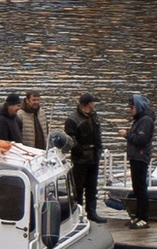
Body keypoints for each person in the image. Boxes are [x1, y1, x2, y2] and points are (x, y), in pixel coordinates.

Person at [66, 93, 104, 222]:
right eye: (92, 103)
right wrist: (81, 152)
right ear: (87, 105)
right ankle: (78, 213)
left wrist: (99, 151)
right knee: (78, 187)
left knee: (92, 186)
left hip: (94, 157)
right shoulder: (73, 120)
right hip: (80, 160)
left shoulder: (94, 116)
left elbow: (98, 135)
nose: (94, 105)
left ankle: (92, 212)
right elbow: (71, 140)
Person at [123, 92, 156, 227]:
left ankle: (143, 218)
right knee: (137, 188)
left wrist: (126, 134)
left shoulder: (146, 121)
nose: (131, 110)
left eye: (132, 108)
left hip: (140, 157)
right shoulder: (139, 119)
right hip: (135, 157)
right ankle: (137, 215)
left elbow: (141, 139)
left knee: (141, 188)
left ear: (138, 106)